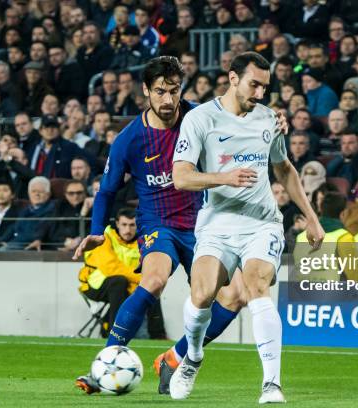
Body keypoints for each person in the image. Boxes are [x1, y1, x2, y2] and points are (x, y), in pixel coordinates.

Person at [72, 56, 289, 396]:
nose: (168, 100)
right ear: (146, 91)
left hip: (205, 223)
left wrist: (276, 122)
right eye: (160, 91)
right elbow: (108, 189)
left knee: (236, 297)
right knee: (155, 279)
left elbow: (245, 118)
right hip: (158, 222)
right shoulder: (130, 139)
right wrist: (98, 230)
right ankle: (103, 365)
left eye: (174, 91)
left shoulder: (201, 117)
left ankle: (175, 357)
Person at [168, 51, 324, 404]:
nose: (260, 94)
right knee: (202, 294)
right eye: (254, 84)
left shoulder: (269, 119)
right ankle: (192, 357)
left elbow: (283, 169)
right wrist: (224, 177)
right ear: (233, 77)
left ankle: (272, 384)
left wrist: (311, 218)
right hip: (216, 225)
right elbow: (180, 176)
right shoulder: (200, 119)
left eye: (265, 88)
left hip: (262, 223)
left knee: (256, 286)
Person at [78, 207, 167, 338]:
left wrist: (146, 283)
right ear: (117, 224)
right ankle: (114, 333)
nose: (128, 229)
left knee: (151, 286)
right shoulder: (103, 236)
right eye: (124, 224)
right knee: (119, 281)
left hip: (125, 284)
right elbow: (111, 268)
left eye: (132, 225)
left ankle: (158, 335)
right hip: (94, 285)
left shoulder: (142, 241)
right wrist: (140, 280)